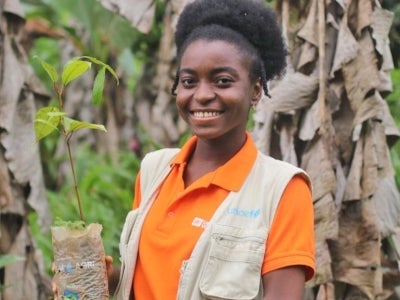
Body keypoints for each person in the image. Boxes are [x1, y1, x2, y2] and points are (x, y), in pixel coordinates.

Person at [95, 0, 316, 299]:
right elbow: (152, 280)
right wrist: (109, 280)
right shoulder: (154, 170)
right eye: (189, 81)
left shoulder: (281, 190)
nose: (201, 95)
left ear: (255, 90)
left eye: (222, 81)